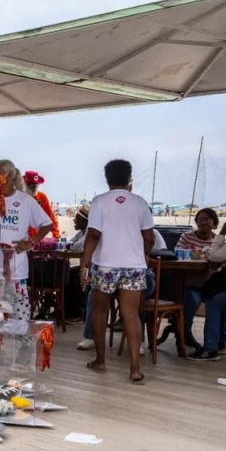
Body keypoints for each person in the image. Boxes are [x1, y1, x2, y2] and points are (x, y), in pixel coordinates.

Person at [80, 159, 154, 384]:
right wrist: (143, 256)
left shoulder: (99, 202)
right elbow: (149, 238)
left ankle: (101, 360)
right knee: (131, 314)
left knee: (100, 311)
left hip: (106, 266)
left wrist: (84, 264)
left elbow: (93, 235)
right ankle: (134, 368)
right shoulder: (140, 203)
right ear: (129, 178)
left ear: (107, 178)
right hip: (134, 266)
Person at [0, 159, 52, 323]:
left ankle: (22, 345)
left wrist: (31, 242)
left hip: (17, 270)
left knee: (19, 317)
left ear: (9, 176)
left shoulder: (25, 201)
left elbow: (47, 224)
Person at [188, 205, 226, 360]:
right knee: (219, 294)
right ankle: (221, 340)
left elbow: (213, 256)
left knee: (216, 301)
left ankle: (210, 348)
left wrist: (223, 233)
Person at [177, 208, 219, 345]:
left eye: (208, 219)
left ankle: (219, 339)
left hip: (211, 285)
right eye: (201, 219)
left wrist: (194, 254)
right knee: (191, 300)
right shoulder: (187, 236)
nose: (204, 222)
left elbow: (220, 259)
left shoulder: (218, 240)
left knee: (217, 304)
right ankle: (184, 335)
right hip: (189, 283)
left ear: (214, 223)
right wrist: (205, 255)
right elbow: (178, 254)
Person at [23, 170, 60, 240]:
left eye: (35, 184)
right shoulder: (19, 197)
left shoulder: (42, 197)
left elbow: (51, 219)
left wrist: (56, 236)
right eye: (29, 184)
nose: (32, 186)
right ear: (24, 183)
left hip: (37, 239)